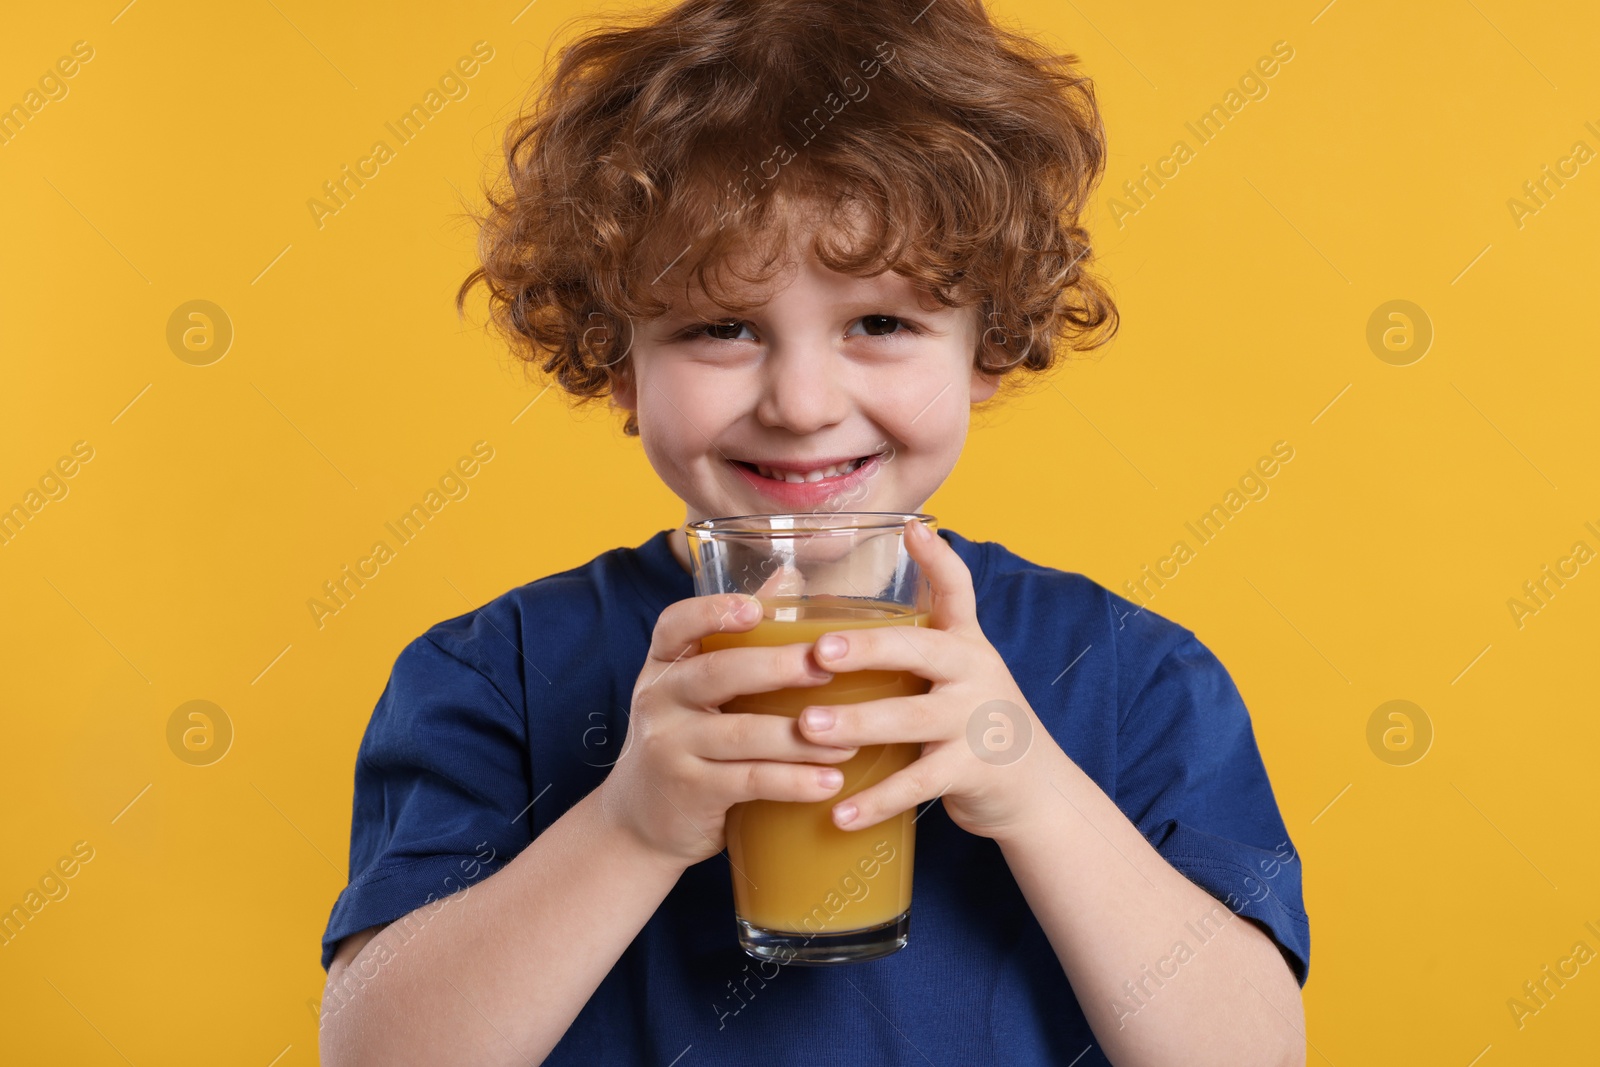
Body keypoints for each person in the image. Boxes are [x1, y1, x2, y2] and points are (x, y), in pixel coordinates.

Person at [318, 0, 1309, 1063]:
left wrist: (1032, 786)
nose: (800, 401)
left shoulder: (1131, 675)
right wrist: (630, 826)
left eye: (881, 322)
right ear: (618, 359)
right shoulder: (493, 677)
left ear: (989, 342)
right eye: (718, 326)